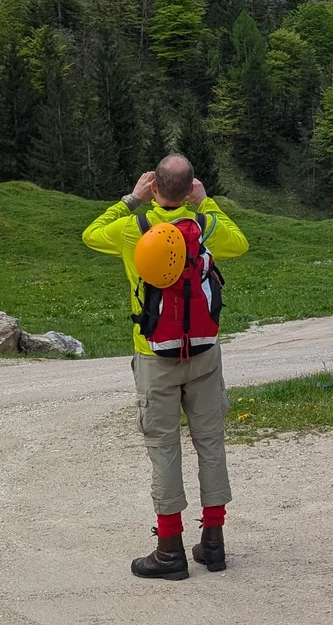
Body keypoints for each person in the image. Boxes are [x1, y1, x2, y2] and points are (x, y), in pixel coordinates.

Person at [83, 154, 250, 579]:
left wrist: (130, 200)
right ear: (191, 187)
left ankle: (169, 550)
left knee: (164, 448)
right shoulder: (205, 227)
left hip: (154, 354)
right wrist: (206, 202)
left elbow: (89, 235)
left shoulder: (132, 229)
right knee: (210, 442)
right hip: (205, 351)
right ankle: (213, 544)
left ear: (153, 187)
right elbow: (241, 243)